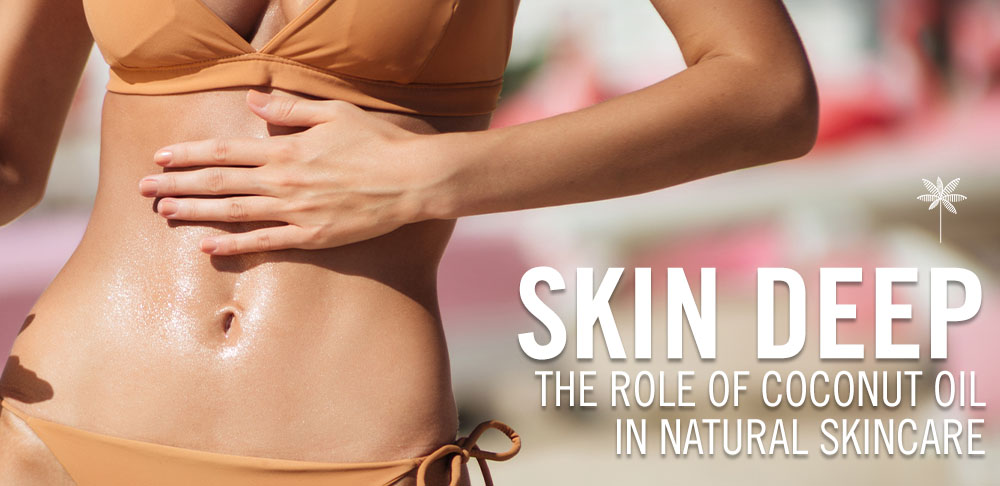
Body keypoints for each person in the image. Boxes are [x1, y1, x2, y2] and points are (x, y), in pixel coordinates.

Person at [0, 0, 818, 485]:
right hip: (58, 443)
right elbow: (11, 162)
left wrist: (426, 173)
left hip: (355, 458)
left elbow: (768, 90)